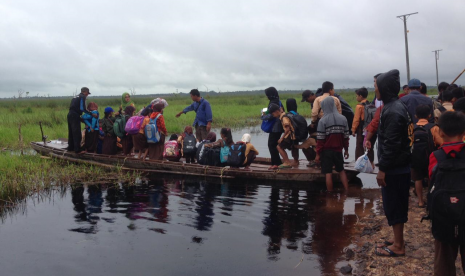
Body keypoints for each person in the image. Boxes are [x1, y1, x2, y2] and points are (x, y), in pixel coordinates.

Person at [374, 69, 412, 258]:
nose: (375, 90)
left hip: (395, 168)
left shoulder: (394, 110)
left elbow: (392, 144)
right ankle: (397, 239)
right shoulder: (394, 105)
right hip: (398, 166)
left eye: (376, 86)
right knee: (393, 204)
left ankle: (399, 246)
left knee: (395, 205)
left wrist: (383, 169)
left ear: (384, 88)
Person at [427, 111, 465, 276]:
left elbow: (431, 180)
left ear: (440, 132)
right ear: (464, 133)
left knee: (443, 261)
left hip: (443, 216)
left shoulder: (436, 156)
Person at [314, 96, 350, 191]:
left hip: (326, 152)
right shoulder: (343, 119)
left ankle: (330, 197)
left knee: (328, 173)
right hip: (338, 150)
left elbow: (320, 140)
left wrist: (318, 154)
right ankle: (347, 191)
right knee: (341, 171)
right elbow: (346, 136)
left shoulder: (322, 121)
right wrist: (346, 150)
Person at [411, 105, 442, 208]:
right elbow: (440, 142)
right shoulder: (434, 127)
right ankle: (430, 198)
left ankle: (420, 201)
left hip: (415, 158)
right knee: (430, 178)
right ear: (429, 115)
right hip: (430, 157)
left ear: (416, 116)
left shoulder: (412, 127)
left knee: (418, 179)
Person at [67, 87, 96, 154]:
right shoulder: (82, 97)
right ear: (85, 92)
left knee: (71, 132)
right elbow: (83, 108)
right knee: (77, 133)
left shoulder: (75, 96)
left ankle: (71, 147)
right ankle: (78, 150)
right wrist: (91, 113)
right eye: (87, 93)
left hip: (70, 114)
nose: (87, 95)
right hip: (75, 115)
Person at [261, 87, 284, 170]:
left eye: (267, 95)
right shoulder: (278, 101)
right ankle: (276, 162)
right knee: (274, 145)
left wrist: (263, 117)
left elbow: (271, 115)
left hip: (275, 127)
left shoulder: (273, 103)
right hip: (279, 126)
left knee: (271, 145)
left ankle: (276, 163)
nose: (267, 96)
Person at [269, 103, 298, 169]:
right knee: (280, 147)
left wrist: (281, 138)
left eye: (273, 114)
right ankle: (287, 161)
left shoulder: (284, 117)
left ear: (277, 112)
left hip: (289, 135)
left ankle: (287, 162)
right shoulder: (283, 114)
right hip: (291, 135)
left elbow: (287, 129)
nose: (273, 116)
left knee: (279, 147)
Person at [352, 88, 370, 160]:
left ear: (361, 96)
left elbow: (356, 119)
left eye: (357, 96)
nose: (356, 97)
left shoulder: (359, 106)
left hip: (361, 128)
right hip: (368, 127)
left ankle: (359, 161)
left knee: (359, 145)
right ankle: (369, 160)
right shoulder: (370, 104)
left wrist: (353, 129)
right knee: (368, 144)